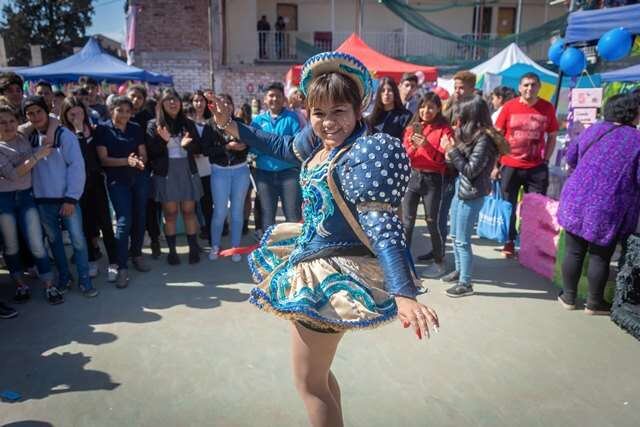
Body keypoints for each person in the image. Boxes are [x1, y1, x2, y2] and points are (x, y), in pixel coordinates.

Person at [210, 51, 439, 427]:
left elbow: (383, 225)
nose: (328, 123)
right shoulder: (320, 143)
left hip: (329, 279)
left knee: (309, 384)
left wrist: (403, 293)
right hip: (312, 261)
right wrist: (232, 125)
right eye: (319, 113)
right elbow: (282, 148)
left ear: (358, 108)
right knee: (321, 377)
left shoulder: (364, 152)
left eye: (339, 111)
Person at [557, 93, 640, 315]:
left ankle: (568, 297)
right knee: (600, 255)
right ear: (632, 113)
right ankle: (594, 303)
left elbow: (571, 158)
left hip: (576, 197)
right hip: (609, 205)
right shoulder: (637, 140)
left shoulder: (593, 129)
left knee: (574, 251)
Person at [21, 95, 98, 297]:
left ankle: (84, 279)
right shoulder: (28, 137)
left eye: (39, 111)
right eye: (30, 113)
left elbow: (77, 167)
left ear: (46, 111)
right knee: (54, 242)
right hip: (43, 201)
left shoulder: (64, 135)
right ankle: (64, 277)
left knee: (78, 240)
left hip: (67, 200)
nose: (35, 116)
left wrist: (71, 198)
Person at [441, 95, 508, 297]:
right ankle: (460, 271)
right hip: (461, 190)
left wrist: (451, 150)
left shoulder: (484, 140)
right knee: (454, 235)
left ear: (472, 114)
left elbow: (470, 170)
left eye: (462, 113)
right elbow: (460, 162)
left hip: (470, 194)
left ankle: (466, 283)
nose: (459, 117)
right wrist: (451, 150)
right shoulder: (474, 135)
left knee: (462, 240)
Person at [494, 72, 559, 258]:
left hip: (536, 167)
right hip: (510, 165)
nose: (529, 88)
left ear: (539, 87)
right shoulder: (509, 106)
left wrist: (546, 159)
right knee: (509, 206)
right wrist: (495, 164)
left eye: (533, 85)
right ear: (520, 87)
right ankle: (509, 242)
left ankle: (530, 245)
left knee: (536, 208)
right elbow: (497, 136)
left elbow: (553, 136)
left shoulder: (547, 108)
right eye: (526, 85)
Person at [0, 104, 59, 305]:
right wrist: (37, 155)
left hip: (26, 197)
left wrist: (49, 134)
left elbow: (53, 117)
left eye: (11, 121)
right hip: (4, 201)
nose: (8, 126)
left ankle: (49, 286)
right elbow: (14, 174)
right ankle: (20, 285)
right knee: (11, 246)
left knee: (36, 244)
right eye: (2, 122)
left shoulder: (22, 133)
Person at [60, 96, 118, 281]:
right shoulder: (64, 134)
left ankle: (114, 262)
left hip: (96, 182)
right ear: (65, 115)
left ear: (84, 111)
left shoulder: (96, 129)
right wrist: (78, 132)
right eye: (71, 113)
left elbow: (95, 156)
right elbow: (79, 156)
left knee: (106, 224)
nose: (75, 115)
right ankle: (91, 260)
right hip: (77, 187)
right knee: (85, 225)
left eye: (78, 111)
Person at [95, 96, 150, 288]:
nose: (125, 114)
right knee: (124, 221)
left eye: (128, 111)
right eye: (120, 110)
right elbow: (104, 159)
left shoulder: (135, 128)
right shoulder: (103, 129)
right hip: (117, 181)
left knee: (140, 217)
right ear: (111, 110)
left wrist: (141, 161)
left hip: (139, 178)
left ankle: (137, 254)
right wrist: (127, 161)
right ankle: (122, 266)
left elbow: (143, 152)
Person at [147, 88, 203, 265]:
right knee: (170, 213)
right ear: (161, 104)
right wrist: (164, 141)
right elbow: (151, 153)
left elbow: (199, 149)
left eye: (175, 99)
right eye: (168, 100)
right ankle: (172, 251)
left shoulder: (188, 123)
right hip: (166, 172)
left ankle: (193, 248)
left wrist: (188, 146)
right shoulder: (153, 125)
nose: (173, 103)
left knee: (189, 211)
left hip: (187, 170)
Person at [402, 92, 453, 279]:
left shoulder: (445, 130)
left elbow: (441, 160)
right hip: (412, 177)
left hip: (433, 179)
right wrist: (414, 147)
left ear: (439, 108)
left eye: (431, 107)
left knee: (433, 222)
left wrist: (426, 146)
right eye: (423, 106)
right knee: (407, 222)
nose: (426, 110)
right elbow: (405, 154)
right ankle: (404, 263)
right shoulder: (412, 128)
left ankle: (439, 262)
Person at [201, 93, 250, 262]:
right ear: (213, 106)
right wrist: (227, 147)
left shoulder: (240, 123)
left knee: (237, 211)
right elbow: (206, 150)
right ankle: (215, 245)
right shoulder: (209, 125)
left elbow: (248, 146)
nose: (225, 106)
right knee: (220, 211)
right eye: (220, 103)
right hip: (219, 171)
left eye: (228, 103)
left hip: (240, 170)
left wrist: (242, 147)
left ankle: (235, 247)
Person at [251, 82, 302, 230]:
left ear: (283, 99)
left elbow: (296, 143)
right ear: (265, 99)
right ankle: (269, 249)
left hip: (289, 173)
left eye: (278, 96)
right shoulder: (258, 121)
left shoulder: (292, 118)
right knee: (267, 214)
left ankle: (294, 249)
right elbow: (254, 145)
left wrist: (268, 148)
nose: (275, 99)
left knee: (292, 214)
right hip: (264, 174)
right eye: (271, 96)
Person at [127, 84, 161, 258]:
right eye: (132, 96)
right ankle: (133, 244)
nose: (135, 100)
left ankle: (155, 240)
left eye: (139, 97)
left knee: (149, 208)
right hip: (124, 169)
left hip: (144, 169)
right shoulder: (121, 115)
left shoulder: (148, 118)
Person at [188, 90, 216, 244]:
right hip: (191, 168)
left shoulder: (211, 121)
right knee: (192, 204)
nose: (199, 103)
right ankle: (198, 233)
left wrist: (201, 151)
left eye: (201, 100)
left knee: (207, 203)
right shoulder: (187, 121)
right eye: (196, 100)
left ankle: (211, 235)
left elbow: (213, 144)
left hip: (207, 168)